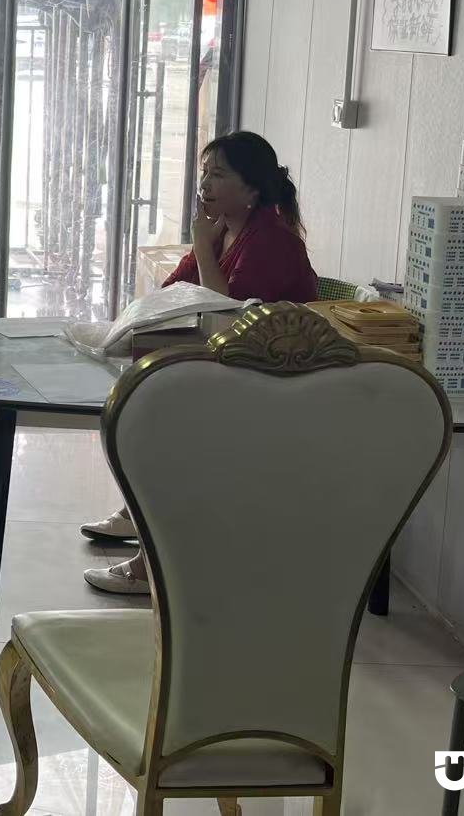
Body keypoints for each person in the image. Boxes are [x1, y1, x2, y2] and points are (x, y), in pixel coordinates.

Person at [81, 130, 318, 596]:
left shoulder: (271, 239)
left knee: (165, 423)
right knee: (143, 405)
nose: (205, 184)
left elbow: (225, 315)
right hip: (235, 369)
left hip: (277, 385)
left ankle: (152, 566)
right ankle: (139, 516)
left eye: (219, 174)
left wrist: (203, 247)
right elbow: (173, 291)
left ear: (252, 189)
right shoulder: (223, 230)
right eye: (204, 172)